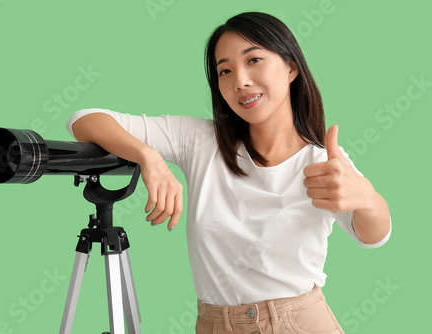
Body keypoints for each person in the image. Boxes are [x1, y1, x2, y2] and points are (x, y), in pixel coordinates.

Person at [66, 11, 391, 334]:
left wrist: (367, 198)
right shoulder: (198, 141)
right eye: (225, 70)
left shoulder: (322, 162)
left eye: (254, 60)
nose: (240, 81)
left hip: (298, 324)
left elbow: (373, 237)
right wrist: (148, 157)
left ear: (291, 67)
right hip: (213, 324)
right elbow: (84, 119)